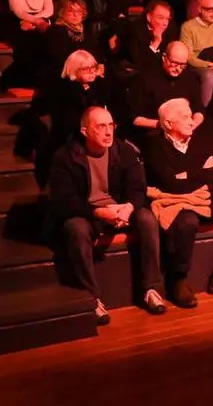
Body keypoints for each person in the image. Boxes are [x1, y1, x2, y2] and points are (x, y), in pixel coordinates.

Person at [50, 107, 165, 324]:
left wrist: (128, 208)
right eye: (101, 126)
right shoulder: (65, 156)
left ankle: (150, 288)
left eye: (110, 125)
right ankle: (92, 297)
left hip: (121, 209)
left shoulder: (124, 151)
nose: (108, 132)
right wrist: (99, 212)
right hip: (89, 212)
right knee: (76, 228)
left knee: (147, 219)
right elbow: (64, 201)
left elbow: (138, 189)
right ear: (85, 131)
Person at [144, 99, 213, 308]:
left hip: (205, 198)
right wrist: (199, 171)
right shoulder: (154, 144)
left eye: (191, 115)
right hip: (174, 201)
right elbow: (169, 182)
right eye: (185, 117)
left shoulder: (200, 138)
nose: (191, 121)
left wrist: (186, 175)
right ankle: (178, 280)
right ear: (168, 123)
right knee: (187, 222)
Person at [32, 50, 115, 179]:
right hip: (70, 134)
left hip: (94, 131)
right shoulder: (63, 89)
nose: (92, 71)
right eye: (86, 69)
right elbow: (66, 120)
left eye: (93, 67)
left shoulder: (98, 86)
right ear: (74, 70)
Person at [130, 41, 205, 145]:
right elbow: (134, 118)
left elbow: (198, 109)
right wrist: (165, 125)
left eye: (183, 65)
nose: (178, 68)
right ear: (164, 57)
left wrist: (192, 125)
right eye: (174, 63)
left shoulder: (190, 78)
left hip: (184, 130)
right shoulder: (145, 79)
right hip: (156, 131)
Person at [5, 0, 54, 87]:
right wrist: (35, 22)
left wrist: (35, 22)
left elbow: (49, 10)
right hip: (20, 24)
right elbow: (19, 11)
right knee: (28, 41)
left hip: (39, 23)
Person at [43, 0, 100, 81]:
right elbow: (57, 59)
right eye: (71, 11)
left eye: (79, 12)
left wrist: (99, 65)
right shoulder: (56, 30)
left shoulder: (86, 30)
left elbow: (95, 50)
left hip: (87, 71)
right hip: (64, 73)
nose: (75, 15)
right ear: (62, 12)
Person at [121, 0, 178, 73]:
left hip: (163, 71)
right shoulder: (134, 29)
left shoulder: (171, 28)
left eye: (167, 19)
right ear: (149, 17)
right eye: (161, 18)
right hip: (140, 73)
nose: (165, 23)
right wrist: (156, 42)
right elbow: (138, 62)